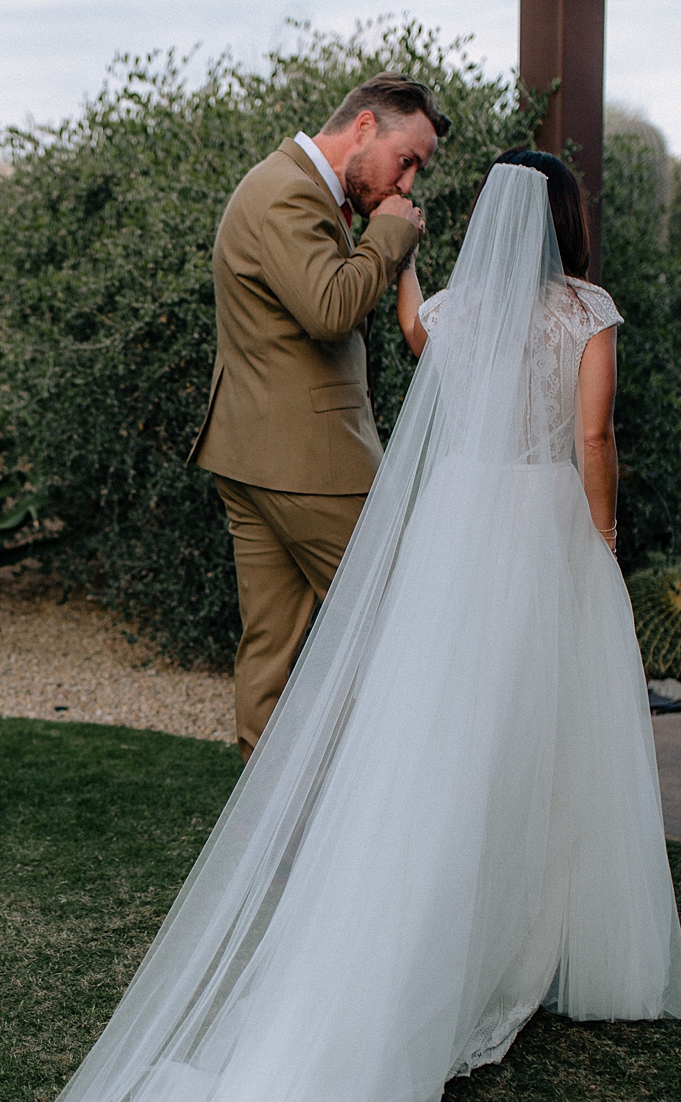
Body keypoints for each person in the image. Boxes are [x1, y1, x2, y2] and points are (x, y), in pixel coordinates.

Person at [0, 156, 681, 1102]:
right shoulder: (583, 314)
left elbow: (421, 337)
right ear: (571, 223)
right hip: (536, 531)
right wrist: (597, 541)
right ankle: (533, 944)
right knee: (537, 742)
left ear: (485, 226)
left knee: (443, 744)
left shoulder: (464, 315)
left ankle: (455, 934)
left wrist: (410, 255)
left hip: (455, 538)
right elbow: (590, 436)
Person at [189, 74, 443, 760]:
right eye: (407, 159)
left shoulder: (293, 188)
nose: (408, 183)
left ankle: (277, 847)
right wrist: (389, 237)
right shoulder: (289, 193)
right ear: (364, 128)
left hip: (257, 456)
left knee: (269, 653)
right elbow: (330, 309)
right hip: (311, 464)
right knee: (401, 622)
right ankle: (394, 811)